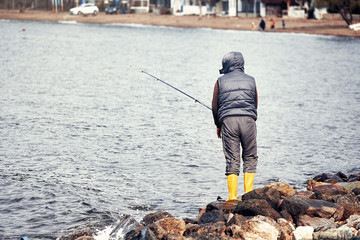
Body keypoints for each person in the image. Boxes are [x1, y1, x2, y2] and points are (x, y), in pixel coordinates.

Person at [212, 52, 258, 201]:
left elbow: (215, 106)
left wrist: (218, 124)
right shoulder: (251, 80)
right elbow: (255, 102)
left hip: (228, 122)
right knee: (250, 157)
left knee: (232, 159)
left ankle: (232, 198)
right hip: (249, 121)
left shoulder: (220, 81)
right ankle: (248, 195)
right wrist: (251, 118)